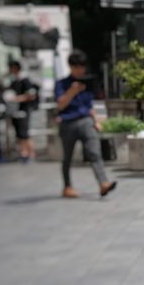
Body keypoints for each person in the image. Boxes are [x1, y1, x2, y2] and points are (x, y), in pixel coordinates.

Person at [55, 50, 117, 198]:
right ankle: (67, 187)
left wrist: (98, 120)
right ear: (71, 66)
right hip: (68, 122)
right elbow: (60, 105)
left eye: (82, 66)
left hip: (86, 121)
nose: (81, 70)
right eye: (77, 67)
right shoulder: (62, 83)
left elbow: (93, 104)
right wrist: (72, 91)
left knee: (95, 153)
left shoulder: (88, 82)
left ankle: (103, 184)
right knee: (67, 157)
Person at [5, 60, 38, 163]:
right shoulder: (14, 81)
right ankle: (24, 153)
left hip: (24, 110)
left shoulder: (25, 80)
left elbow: (31, 95)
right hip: (15, 111)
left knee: (25, 133)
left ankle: (31, 154)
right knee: (19, 134)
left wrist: (16, 99)